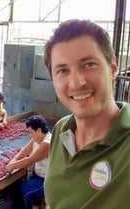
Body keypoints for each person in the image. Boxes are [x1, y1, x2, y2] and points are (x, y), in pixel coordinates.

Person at [43, 19, 130, 209]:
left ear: (113, 68)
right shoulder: (61, 130)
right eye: (63, 70)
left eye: (89, 64)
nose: (76, 83)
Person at [6, 115, 51, 209]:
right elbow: (26, 149)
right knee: (23, 182)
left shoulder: (46, 144)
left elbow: (30, 161)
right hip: (38, 173)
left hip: (46, 180)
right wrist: (14, 159)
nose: (30, 135)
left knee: (24, 191)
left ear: (39, 130)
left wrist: (12, 165)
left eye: (31, 132)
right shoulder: (38, 137)